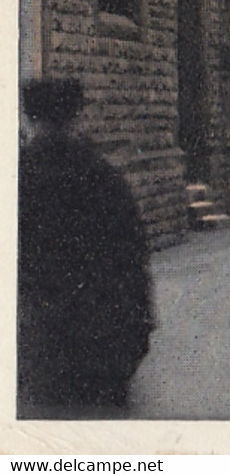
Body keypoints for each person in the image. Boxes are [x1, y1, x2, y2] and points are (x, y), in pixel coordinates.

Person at [17, 77, 155, 414]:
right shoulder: (103, 177)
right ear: (78, 116)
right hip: (101, 347)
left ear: (30, 118)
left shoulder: (19, 178)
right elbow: (133, 259)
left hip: (38, 350)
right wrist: (138, 332)